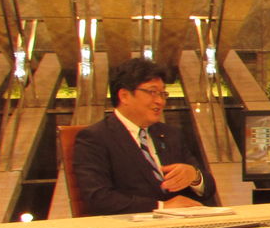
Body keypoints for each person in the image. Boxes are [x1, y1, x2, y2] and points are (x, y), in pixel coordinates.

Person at [73, 57, 217, 216]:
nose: (160, 101)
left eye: (163, 94)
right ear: (124, 96)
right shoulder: (95, 138)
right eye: (152, 92)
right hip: (130, 227)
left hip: (183, 224)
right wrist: (161, 207)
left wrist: (194, 176)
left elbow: (209, 189)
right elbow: (98, 198)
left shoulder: (171, 135)